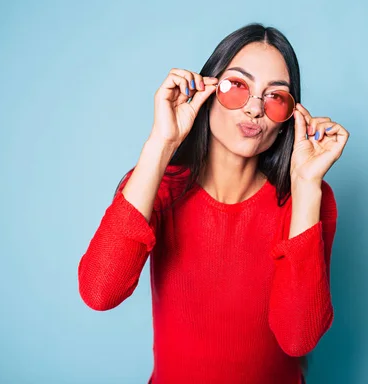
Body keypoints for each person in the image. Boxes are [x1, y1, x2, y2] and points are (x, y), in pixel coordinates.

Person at [78, 22, 350, 384]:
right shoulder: (158, 186)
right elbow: (100, 291)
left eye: (275, 97)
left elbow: (298, 338)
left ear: (289, 118)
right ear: (206, 91)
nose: (254, 109)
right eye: (238, 86)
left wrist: (306, 184)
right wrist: (162, 143)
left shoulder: (309, 197)